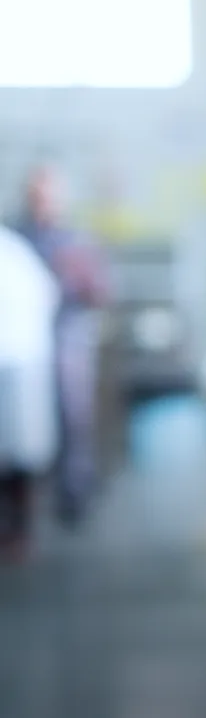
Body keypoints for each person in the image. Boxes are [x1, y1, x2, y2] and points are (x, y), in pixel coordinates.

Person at [15, 164, 111, 527]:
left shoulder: (77, 241)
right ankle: (22, 506)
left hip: (67, 337)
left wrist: (73, 280)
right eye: (36, 196)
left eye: (48, 197)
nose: (42, 204)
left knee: (74, 417)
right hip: (23, 342)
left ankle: (74, 494)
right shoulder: (17, 237)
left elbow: (101, 290)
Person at [0, 223, 60, 562]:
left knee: (17, 460)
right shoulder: (16, 248)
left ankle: (19, 534)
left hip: (17, 362)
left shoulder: (10, 251)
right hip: (21, 361)